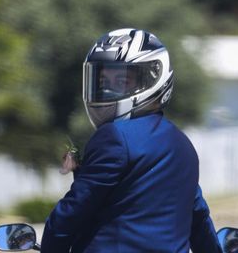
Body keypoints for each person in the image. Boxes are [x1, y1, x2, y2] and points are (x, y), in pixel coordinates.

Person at [41, 28, 222, 253]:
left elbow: (70, 214)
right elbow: (198, 218)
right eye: (103, 80)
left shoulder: (114, 137)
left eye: (121, 80)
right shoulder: (183, 145)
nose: (107, 89)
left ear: (152, 77)